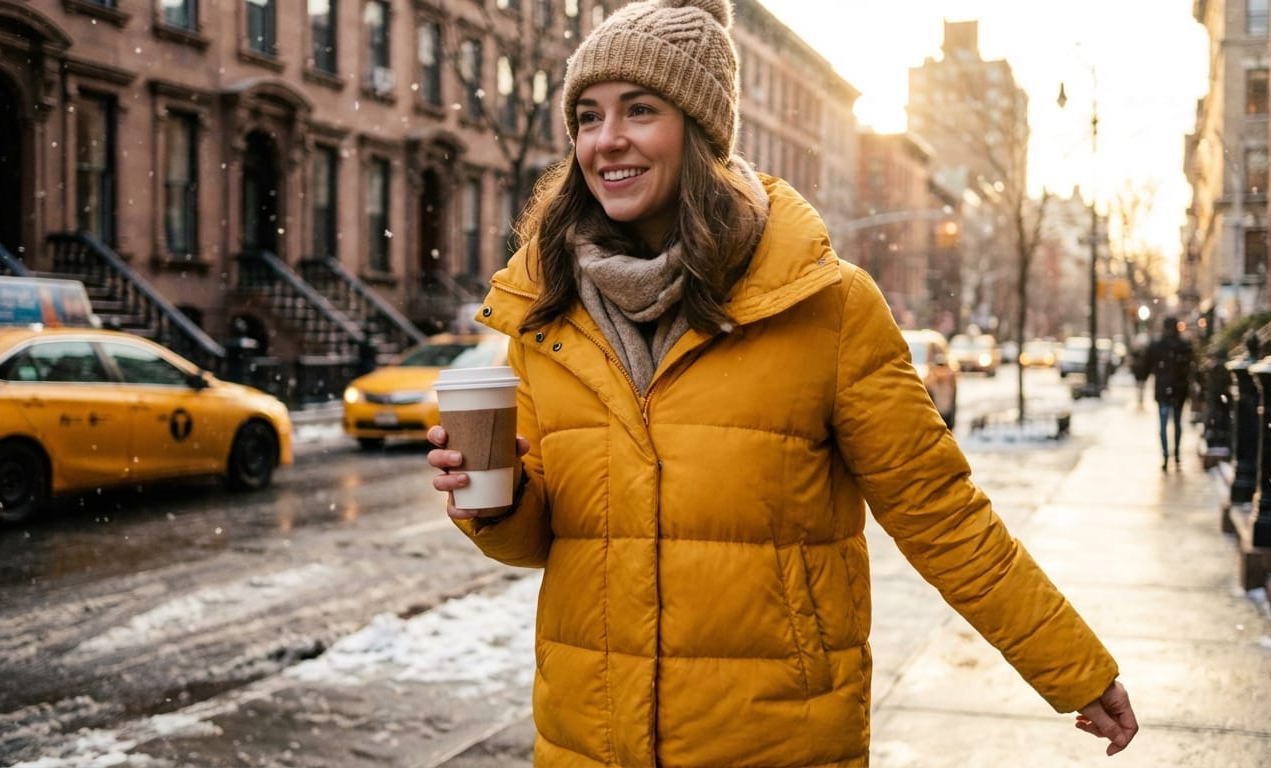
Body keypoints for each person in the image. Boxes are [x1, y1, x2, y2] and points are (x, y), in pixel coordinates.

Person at [427, 1, 1138, 764]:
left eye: (641, 110)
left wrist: (1072, 667)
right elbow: (548, 543)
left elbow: (942, 515)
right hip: (588, 744)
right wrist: (492, 502)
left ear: (700, 131)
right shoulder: (546, 311)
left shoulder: (828, 307)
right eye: (589, 117)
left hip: (774, 742)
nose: (608, 141)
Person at [1147, 315, 1195, 472]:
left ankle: (1166, 455)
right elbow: (1190, 367)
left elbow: (1148, 365)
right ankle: (1177, 453)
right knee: (1177, 422)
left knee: (1163, 424)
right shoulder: (1184, 345)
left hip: (1163, 390)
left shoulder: (1157, 345)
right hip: (1179, 390)